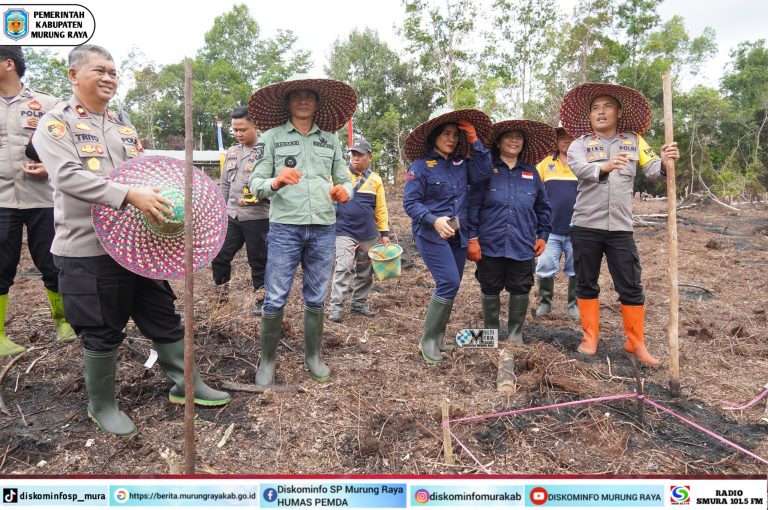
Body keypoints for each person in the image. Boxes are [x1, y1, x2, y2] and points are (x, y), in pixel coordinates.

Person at [32, 44, 230, 437]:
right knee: (101, 327)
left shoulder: (123, 126)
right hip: (88, 248)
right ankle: (101, 405)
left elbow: (143, 171)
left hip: (138, 245)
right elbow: (68, 177)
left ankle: (185, 384)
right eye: (99, 70)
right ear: (73, 75)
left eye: (113, 72)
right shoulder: (56, 124)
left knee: (162, 313)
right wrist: (127, 195)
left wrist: (164, 198)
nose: (109, 78)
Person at [560, 82, 680, 366]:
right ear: (589, 116)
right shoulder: (579, 144)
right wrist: (604, 166)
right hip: (586, 225)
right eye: (595, 109)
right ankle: (590, 338)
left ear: (619, 112)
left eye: (607, 107)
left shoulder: (634, 140)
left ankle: (635, 341)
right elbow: (580, 169)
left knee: (631, 285)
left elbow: (653, 171)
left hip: (621, 228)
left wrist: (665, 162)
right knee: (586, 282)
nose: (601, 112)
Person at [248, 75, 356, 386]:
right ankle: (266, 361)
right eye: (297, 95)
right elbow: (255, 184)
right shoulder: (270, 139)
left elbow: (343, 178)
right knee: (276, 295)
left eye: (310, 95)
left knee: (316, 295)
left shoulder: (330, 140)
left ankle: (313, 357)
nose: (304, 100)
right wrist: (276, 181)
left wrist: (344, 191)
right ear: (287, 102)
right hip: (285, 227)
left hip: (323, 226)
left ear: (318, 102)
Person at [0, 46, 76, 356]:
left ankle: (64, 322)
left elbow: (73, 141)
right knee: (1, 265)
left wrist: (50, 165)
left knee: (52, 261)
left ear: (8, 64)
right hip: (2, 200)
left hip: (42, 198)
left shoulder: (47, 105)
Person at [403, 108, 493, 364]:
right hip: (431, 234)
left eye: (455, 135)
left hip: (457, 234)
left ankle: (439, 337)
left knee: (451, 285)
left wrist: (475, 140)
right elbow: (410, 203)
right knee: (448, 281)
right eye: (445, 134)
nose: (451, 138)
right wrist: (434, 220)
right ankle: (428, 340)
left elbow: (484, 173)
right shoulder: (420, 167)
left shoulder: (461, 165)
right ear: (434, 137)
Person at [469, 120, 553, 344]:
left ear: (523, 143)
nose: (514, 140)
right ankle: (490, 335)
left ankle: (516, 335)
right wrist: (473, 238)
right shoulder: (487, 171)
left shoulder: (531, 173)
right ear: (498, 142)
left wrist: (543, 236)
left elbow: (543, 207)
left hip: (522, 244)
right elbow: (473, 205)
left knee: (521, 287)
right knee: (490, 286)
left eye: (519, 137)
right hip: (490, 243)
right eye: (508, 136)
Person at [211, 106, 270, 315]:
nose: (238, 134)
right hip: (233, 215)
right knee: (219, 255)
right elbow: (225, 184)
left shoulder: (266, 151)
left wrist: (259, 197)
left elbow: (275, 185)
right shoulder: (232, 152)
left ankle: (261, 300)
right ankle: (220, 296)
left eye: (242, 129)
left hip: (258, 217)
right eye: (235, 130)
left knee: (259, 260)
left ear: (255, 126)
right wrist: (221, 209)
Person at [328, 138, 390, 323]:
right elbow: (328, 200)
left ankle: (358, 304)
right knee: (344, 267)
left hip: (368, 234)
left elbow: (381, 209)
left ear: (369, 158)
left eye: (360, 155)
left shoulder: (375, 180)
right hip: (343, 231)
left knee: (365, 270)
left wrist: (384, 233)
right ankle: (335, 307)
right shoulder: (338, 176)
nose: (355, 157)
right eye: (353, 154)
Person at [533, 126, 579, 320]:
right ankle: (545, 302)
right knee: (544, 266)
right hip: (550, 229)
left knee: (577, 268)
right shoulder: (544, 164)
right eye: (562, 137)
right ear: (556, 140)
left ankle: (573, 304)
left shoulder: (582, 162)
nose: (567, 141)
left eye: (571, 137)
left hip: (577, 228)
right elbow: (534, 192)